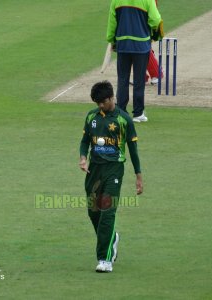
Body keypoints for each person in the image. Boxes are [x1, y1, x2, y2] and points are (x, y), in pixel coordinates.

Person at [79, 81, 143, 273]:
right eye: (97, 102)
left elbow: (133, 150)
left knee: (108, 211)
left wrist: (138, 176)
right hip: (94, 171)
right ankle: (112, 238)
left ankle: (104, 259)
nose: (100, 106)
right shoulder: (92, 116)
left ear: (111, 98)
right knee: (94, 212)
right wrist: (83, 158)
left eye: (103, 102)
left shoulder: (124, 120)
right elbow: (84, 142)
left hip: (114, 169)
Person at [107, 0, 164, 122]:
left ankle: (121, 112)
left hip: (123, 45)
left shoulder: (116, 1)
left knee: (122, 79)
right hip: (141, 45)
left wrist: (111, 39)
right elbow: (155, 20)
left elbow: (112, 23)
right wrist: (150, 29)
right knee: (139, 80)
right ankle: (138, 113)